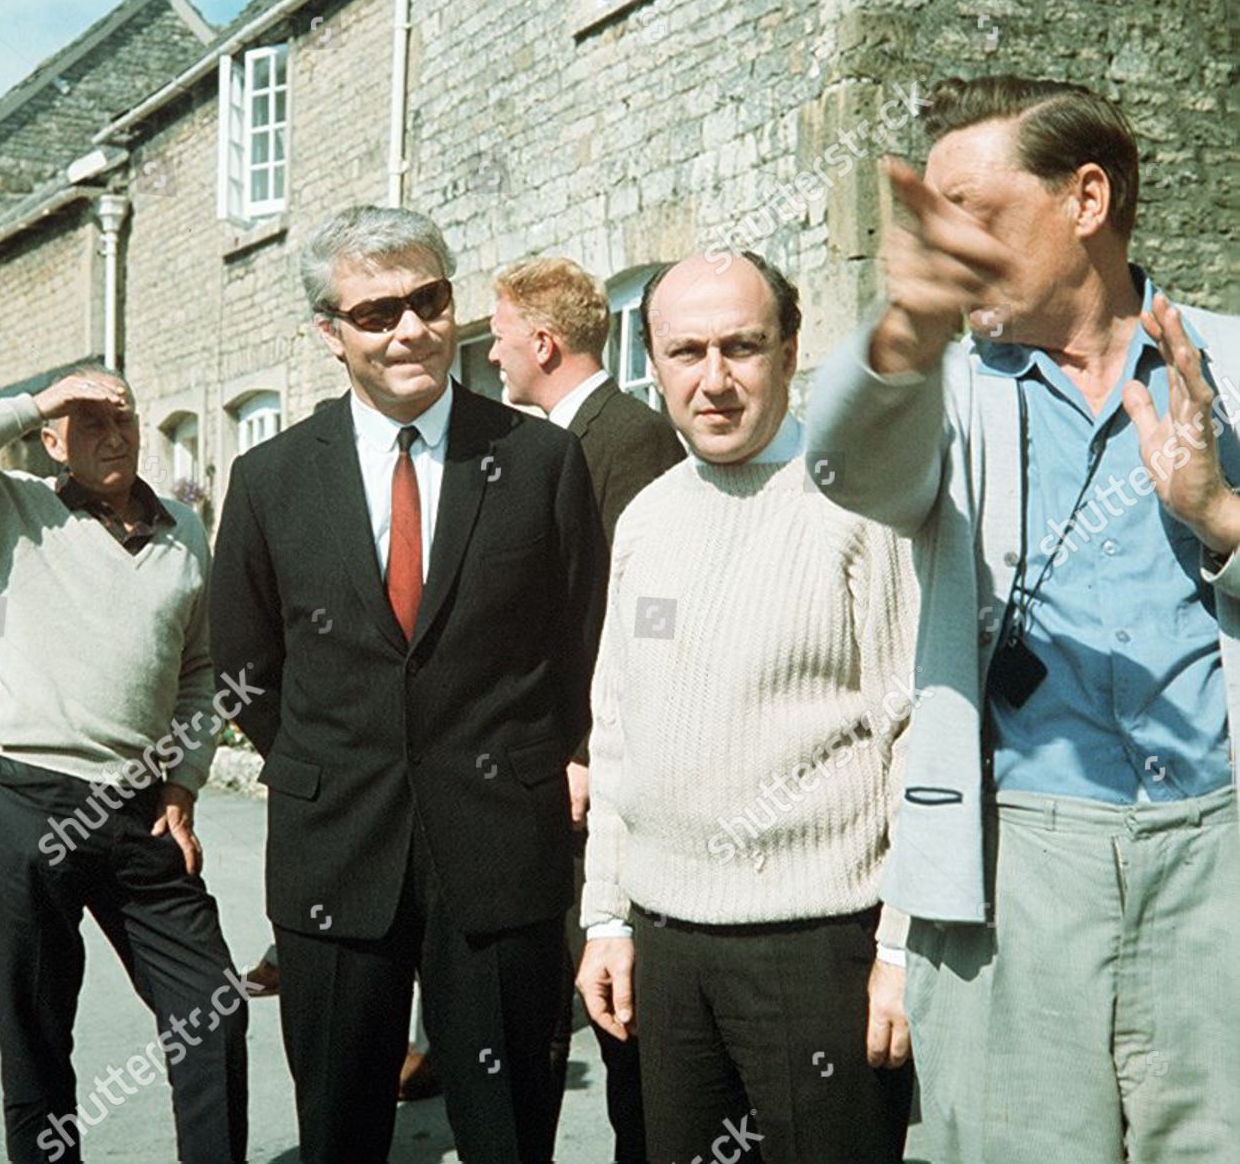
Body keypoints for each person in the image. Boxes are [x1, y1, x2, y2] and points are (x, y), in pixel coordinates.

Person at [806, 75, 1240, 1161]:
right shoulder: (944, 383)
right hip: (1011, 864)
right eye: (933, 222)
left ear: (1087, 198)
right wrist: (906, 321)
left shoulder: (1225, 365)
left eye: (976, 214)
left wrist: (1223, 515)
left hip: (1218, 861)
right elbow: (844, 466)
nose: (951, 247)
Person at [209, 205, 608, 1163]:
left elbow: (585, 644)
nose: (408, 330)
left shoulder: (539, 459)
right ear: (329, 333)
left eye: (428, 300)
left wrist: (557, 760)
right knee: (339, 1131)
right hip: (336, 849)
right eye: (376, 312)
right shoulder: (268, 480)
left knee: (510, 1136)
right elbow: (243, 668)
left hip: (504, 853)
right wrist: (333, 759)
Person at [576, 252, 917, 1164]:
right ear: (651, 360)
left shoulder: (861, 506)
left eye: (743, 347)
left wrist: (903, 947)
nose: (714, 380)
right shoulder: (647, 517)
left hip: (813, 955)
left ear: (791, 350)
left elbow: (911, 734)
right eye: (685, 351)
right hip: (666, 956)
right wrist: (606, 916)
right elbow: (618, 731)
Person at [0, 368, 247, 1164]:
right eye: (86, 422)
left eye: (123, 418)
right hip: (23, 804)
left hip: (141, 810)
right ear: (52, 439)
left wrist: (184, 784)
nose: (112, 435)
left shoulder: (185, 527)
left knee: (211, 1007)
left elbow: (201, 669)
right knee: (38, 1042)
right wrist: (35, 401)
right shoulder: (14, 506)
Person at [488, 255, 684, 1162]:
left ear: (542, 341)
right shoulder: (556, 440)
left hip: (607, 767)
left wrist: (589, 748)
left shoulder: (627, 439)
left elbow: (641, 615)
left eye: (496, 336)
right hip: (562, 764)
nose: (488, 355)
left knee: (627, 1006)